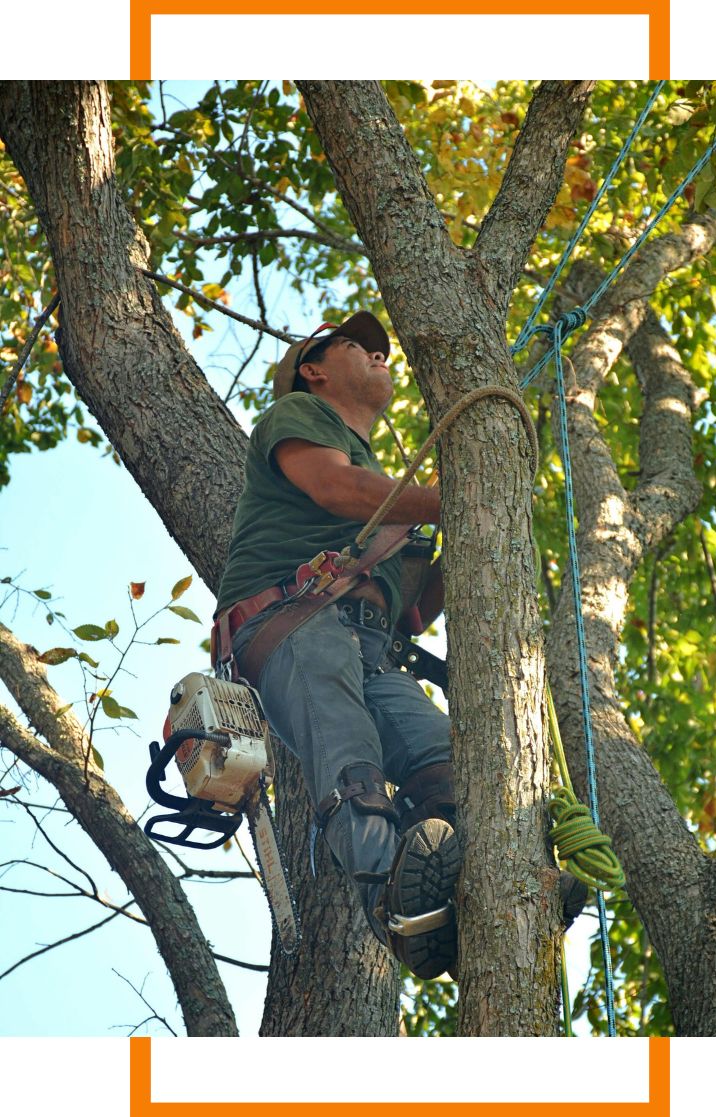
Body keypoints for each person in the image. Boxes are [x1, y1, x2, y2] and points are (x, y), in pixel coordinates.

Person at [214, 311, 586, 980]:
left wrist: (485, 529)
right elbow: (338, 488)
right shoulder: (298, 415)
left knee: (449, 760)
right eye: (361, 345)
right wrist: (456, 496)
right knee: (351, 753)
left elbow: (413, 608)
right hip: (294, 622)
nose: (381, 353)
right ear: (314, 367)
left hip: (369, 643)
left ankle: (483, 888)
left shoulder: (383, 474)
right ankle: (391, 902)